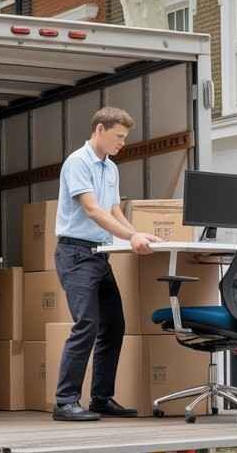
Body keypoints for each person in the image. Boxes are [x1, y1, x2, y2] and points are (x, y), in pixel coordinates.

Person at [52, 107, 159, 421]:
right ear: (99, 129)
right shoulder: (77, 163)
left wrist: (135, 235)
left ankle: (101, 397)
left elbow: (113, 211)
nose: (122, 143)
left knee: (114, 325)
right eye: (119, 137)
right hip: (74, 254)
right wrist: (131, 236)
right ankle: (65, 401)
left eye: (124, 138)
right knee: (87, 323)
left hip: (99, 254)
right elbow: (93, 211)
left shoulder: (111, 169)